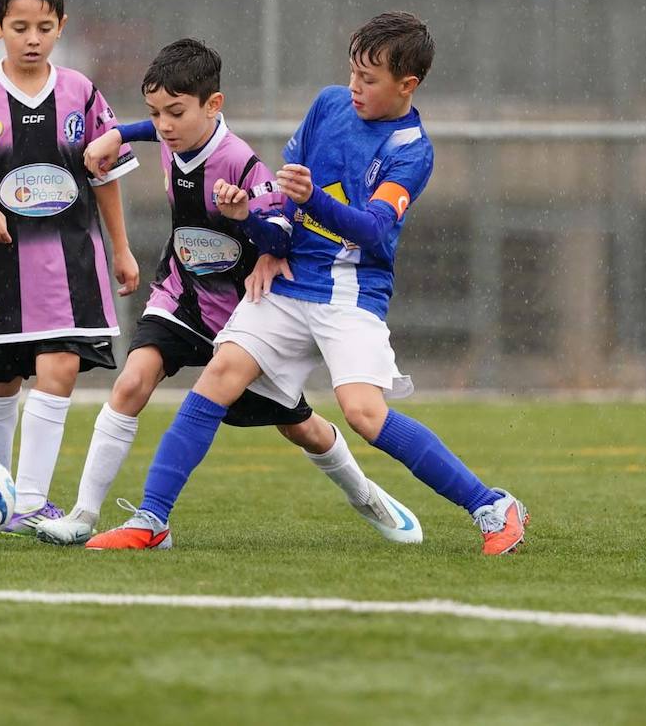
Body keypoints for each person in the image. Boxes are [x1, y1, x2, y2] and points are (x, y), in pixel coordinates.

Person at [87, 12, 530, 555]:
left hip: (349, 291)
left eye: (369, 79)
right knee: (220, 376)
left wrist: (310, 200)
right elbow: (281, 192)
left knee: (364, 414)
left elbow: (371, 230)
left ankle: (492, 505)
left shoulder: (412, 151)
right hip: (290, 279)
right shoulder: (328, 106)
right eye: (352, 72)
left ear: (407, 86)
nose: (354, 87)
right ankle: (152, 521)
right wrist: (262, 233)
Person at [35, 38, 421, 548]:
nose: (164, 126)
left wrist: (249, 219)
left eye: (174, 113)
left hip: (240, 314)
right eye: (156, 114)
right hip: (180, 296)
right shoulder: (173, 137)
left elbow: (282, 236)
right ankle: (85, 516)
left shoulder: (242, 163)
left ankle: (364, 493)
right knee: (132, 383)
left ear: (212, 106)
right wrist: (114, 134)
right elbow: (157, 127)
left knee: (300, 427)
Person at [0, 0, 139, 534]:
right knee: (1, 381)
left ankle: (29, 502)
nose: (33, 38)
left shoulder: (83, 93)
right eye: (20, 26)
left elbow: (106, 176)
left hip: (71, 264)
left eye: (44, 26)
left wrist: (121, 249)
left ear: (61, 26)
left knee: (61, 364)